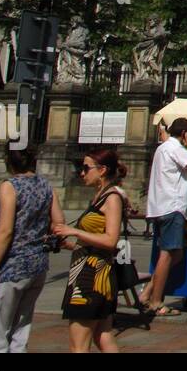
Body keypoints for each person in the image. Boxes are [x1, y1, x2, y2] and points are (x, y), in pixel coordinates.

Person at [0, 146, 64, 353]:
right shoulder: (46, 185)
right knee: (21, 328)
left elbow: (6, 231)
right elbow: (59, 222)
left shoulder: (10, 186)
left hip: (13, 265)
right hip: (38, 264)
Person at [55, 149, 129, 351]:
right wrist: (72, 244)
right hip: (93, 272)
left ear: (103, 170)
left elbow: (111, 240)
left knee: (78, 345)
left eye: (86, 168)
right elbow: (97, 240)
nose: (82, 173)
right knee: (102, 336)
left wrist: (75, 232)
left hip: (91, 279)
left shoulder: (111, 198)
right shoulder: (100, 195)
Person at [140, 118, 187, 316]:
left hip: (159, 206)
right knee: (168, 254)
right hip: (171, 207)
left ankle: (148, 293)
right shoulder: (176, 148)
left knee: (175, 254)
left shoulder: (162, 148)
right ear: (185, 133)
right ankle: (157, 302)